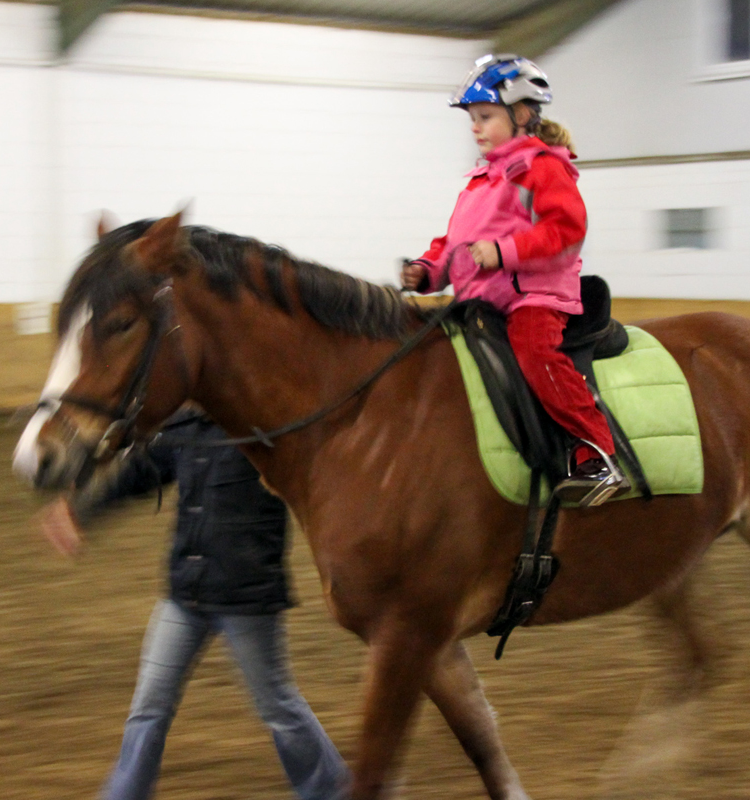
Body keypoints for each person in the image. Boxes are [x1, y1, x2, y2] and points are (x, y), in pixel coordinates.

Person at [36, 411, 348, 800]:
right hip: (185, 594)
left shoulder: (262, 424)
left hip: (246, 598)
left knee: (278, 708)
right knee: (149, 707)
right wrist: (81, 510)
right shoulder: (183, 426)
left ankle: (336, 794)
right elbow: (141, 472)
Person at [401, 53, 628, 507]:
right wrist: (427, 271)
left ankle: (598, 453)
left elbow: (566, 230)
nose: (475, 127)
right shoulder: (481, 180)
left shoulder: (543, 167)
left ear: (521, 114)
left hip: (533, 298)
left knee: (535, 353)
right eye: (472, 119)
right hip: (483, 303)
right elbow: (453, 241)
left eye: (485, 116)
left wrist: (504, 252)